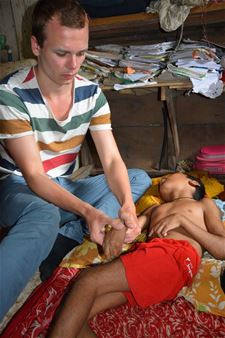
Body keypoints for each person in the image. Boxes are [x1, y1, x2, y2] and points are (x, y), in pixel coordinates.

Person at [0, 0, 151, 321]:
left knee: (137, 179)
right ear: (36, 46)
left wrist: (126, 205)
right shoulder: (10, 94)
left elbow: (111, 160)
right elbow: (34, 176)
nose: (73, 65)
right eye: (62, 53)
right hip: (16, 188)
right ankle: (66, 225)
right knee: (42, 214)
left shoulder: (91, 93)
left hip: (64, 185)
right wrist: (88, 210)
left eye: (81, 53)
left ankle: (63, 239)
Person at [47, 172, 225, 338]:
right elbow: (131, 229)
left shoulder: (203, 204)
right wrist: (120, 229)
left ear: (193, 183)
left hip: (174, 256)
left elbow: (222, 249)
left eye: (170, 175)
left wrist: (183, 221)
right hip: (156, 269)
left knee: (88, 280)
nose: (162, 179)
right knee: (80, 313)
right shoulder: (154, 209)